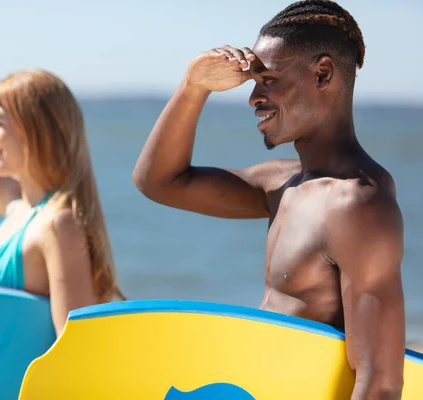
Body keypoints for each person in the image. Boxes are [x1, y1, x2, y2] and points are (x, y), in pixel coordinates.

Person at [132, 1, 405, 398]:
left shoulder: (358, 205)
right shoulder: (284, 184)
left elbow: (380, 383)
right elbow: (159, 182)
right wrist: (194, 87)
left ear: (323, 73)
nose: (253, 97)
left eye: (269, 79)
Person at [0, 69, 125, 335]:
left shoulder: (58, 224)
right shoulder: (19, 204)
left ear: (34, 132)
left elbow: (73, 341)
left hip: (22, 376)